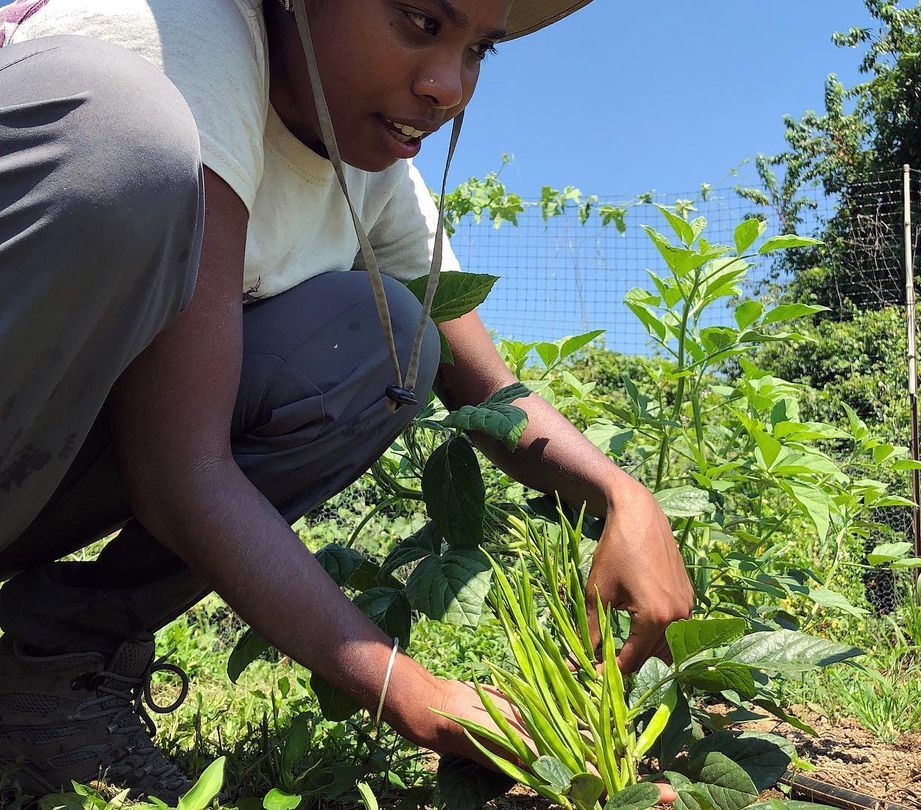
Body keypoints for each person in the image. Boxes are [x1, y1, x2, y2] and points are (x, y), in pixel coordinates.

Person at [0, 0, 695, 800]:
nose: (448, 88)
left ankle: (51, 671)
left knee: (392, 335)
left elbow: (491, 389)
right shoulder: (184, 41)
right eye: (421, 21)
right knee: (125, 135)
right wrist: (418, 697)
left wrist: (624, 496)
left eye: (480, 51)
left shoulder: (364, 167)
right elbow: (180, 469)